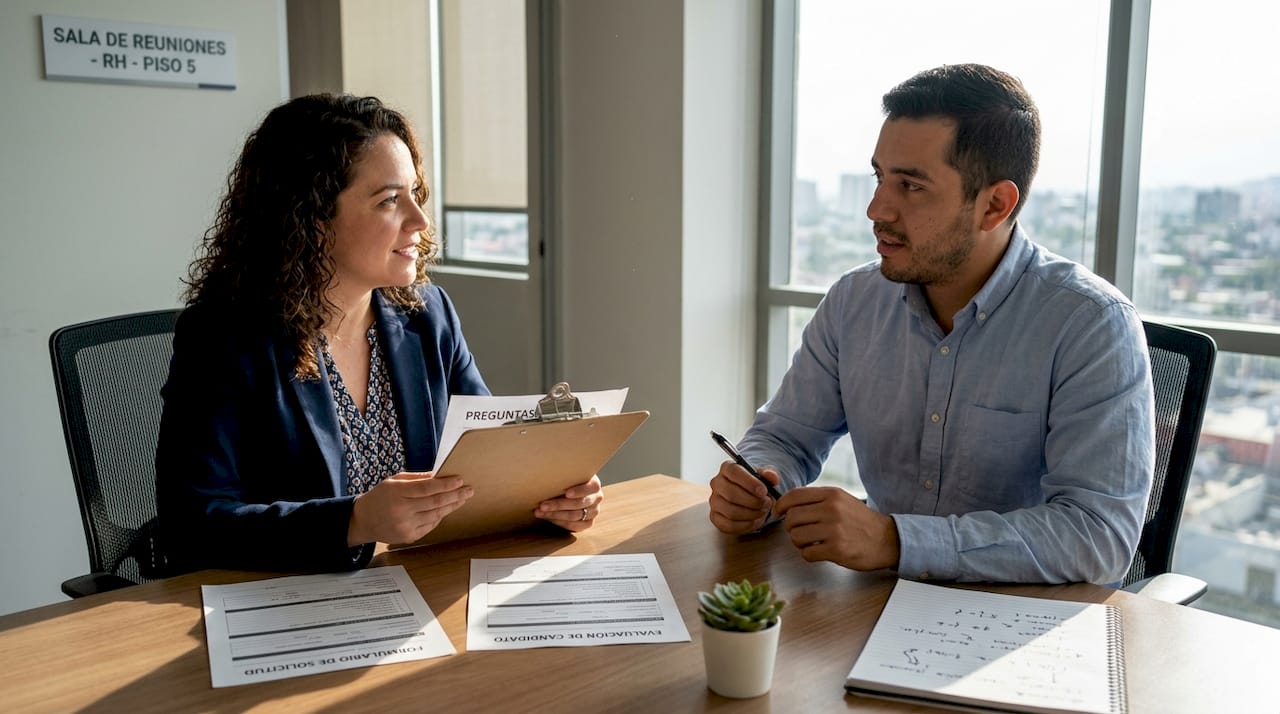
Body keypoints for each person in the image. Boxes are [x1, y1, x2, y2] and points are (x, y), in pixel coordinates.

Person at [708, 64, 1154, 585]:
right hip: (879, 602)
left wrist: (895, 540)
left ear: (994, 205)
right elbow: (785, 437)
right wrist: (759, 483)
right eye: (879, 177)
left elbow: (1098, 538)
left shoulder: (1092, 325)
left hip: (1020, 618)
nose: (876, 209)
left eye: (911, 186)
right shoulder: (854, 301)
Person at [156, 94, 602, 574]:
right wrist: (354, 521)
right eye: (389, 200)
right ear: (311, 217)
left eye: (414, 193)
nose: (420, 220)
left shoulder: (428, 314)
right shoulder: (223, 338)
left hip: (417, 584)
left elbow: (490, 458)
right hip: (286, 597)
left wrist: (550, 497)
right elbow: (193, 523)